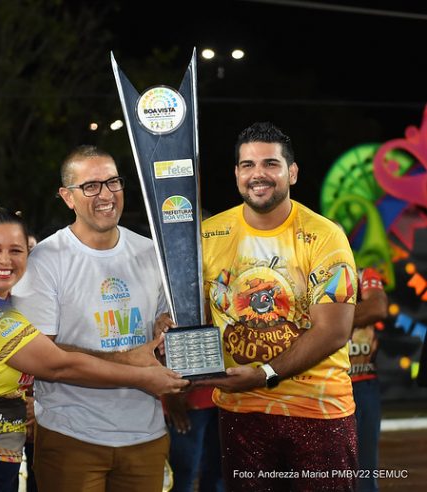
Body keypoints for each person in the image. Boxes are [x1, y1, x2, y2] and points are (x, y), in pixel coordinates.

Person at [0, 207, 188, 492]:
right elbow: (58, 365)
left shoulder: (2, 305)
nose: (5, 260)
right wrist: (143, 376)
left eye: (16, 250)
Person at [199, 121, 358, 491]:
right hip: (241, 411)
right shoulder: (209, 235)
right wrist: (168, 328)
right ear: (237, 174)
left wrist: (264, 373)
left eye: (270, 164)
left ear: (292, 172)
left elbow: (334, 329)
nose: (258, 174)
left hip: (319, 410)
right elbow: (195, 314)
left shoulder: (324, 235)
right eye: (247, 165)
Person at [12, 145, 174, 492]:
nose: (105, 194)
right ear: (67, 197)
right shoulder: (44, 260)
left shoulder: (150, 252)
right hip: (72, 434)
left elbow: (164, 330)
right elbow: (43, 356)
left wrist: (167, 328)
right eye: (90, 186)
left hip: (145, 433)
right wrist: (130, 363)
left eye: (113, 182)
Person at [348, 266, 388, 492]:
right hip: (321, 386)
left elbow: (378, 308)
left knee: (364, 475)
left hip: (363, 384)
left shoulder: (363, 273)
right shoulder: (301, 275)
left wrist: (328, 321)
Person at [165, 387, 223, 492]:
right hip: (186, 397)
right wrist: (171, 391)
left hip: (232, 396)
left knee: (220, 472)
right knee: (184, 473)